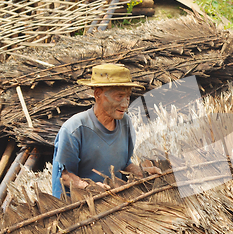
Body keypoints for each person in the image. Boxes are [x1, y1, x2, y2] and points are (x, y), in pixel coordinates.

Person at [51, 63, 160, 198]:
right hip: (79, 206)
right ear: (98, 94)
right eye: (119, 96)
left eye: (128, 96)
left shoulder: (125, 122)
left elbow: (124, 164)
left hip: (114, 200)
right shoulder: (74, 129)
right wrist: (88, 187)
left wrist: (141, 172)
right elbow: (64, 175)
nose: (126, 104)